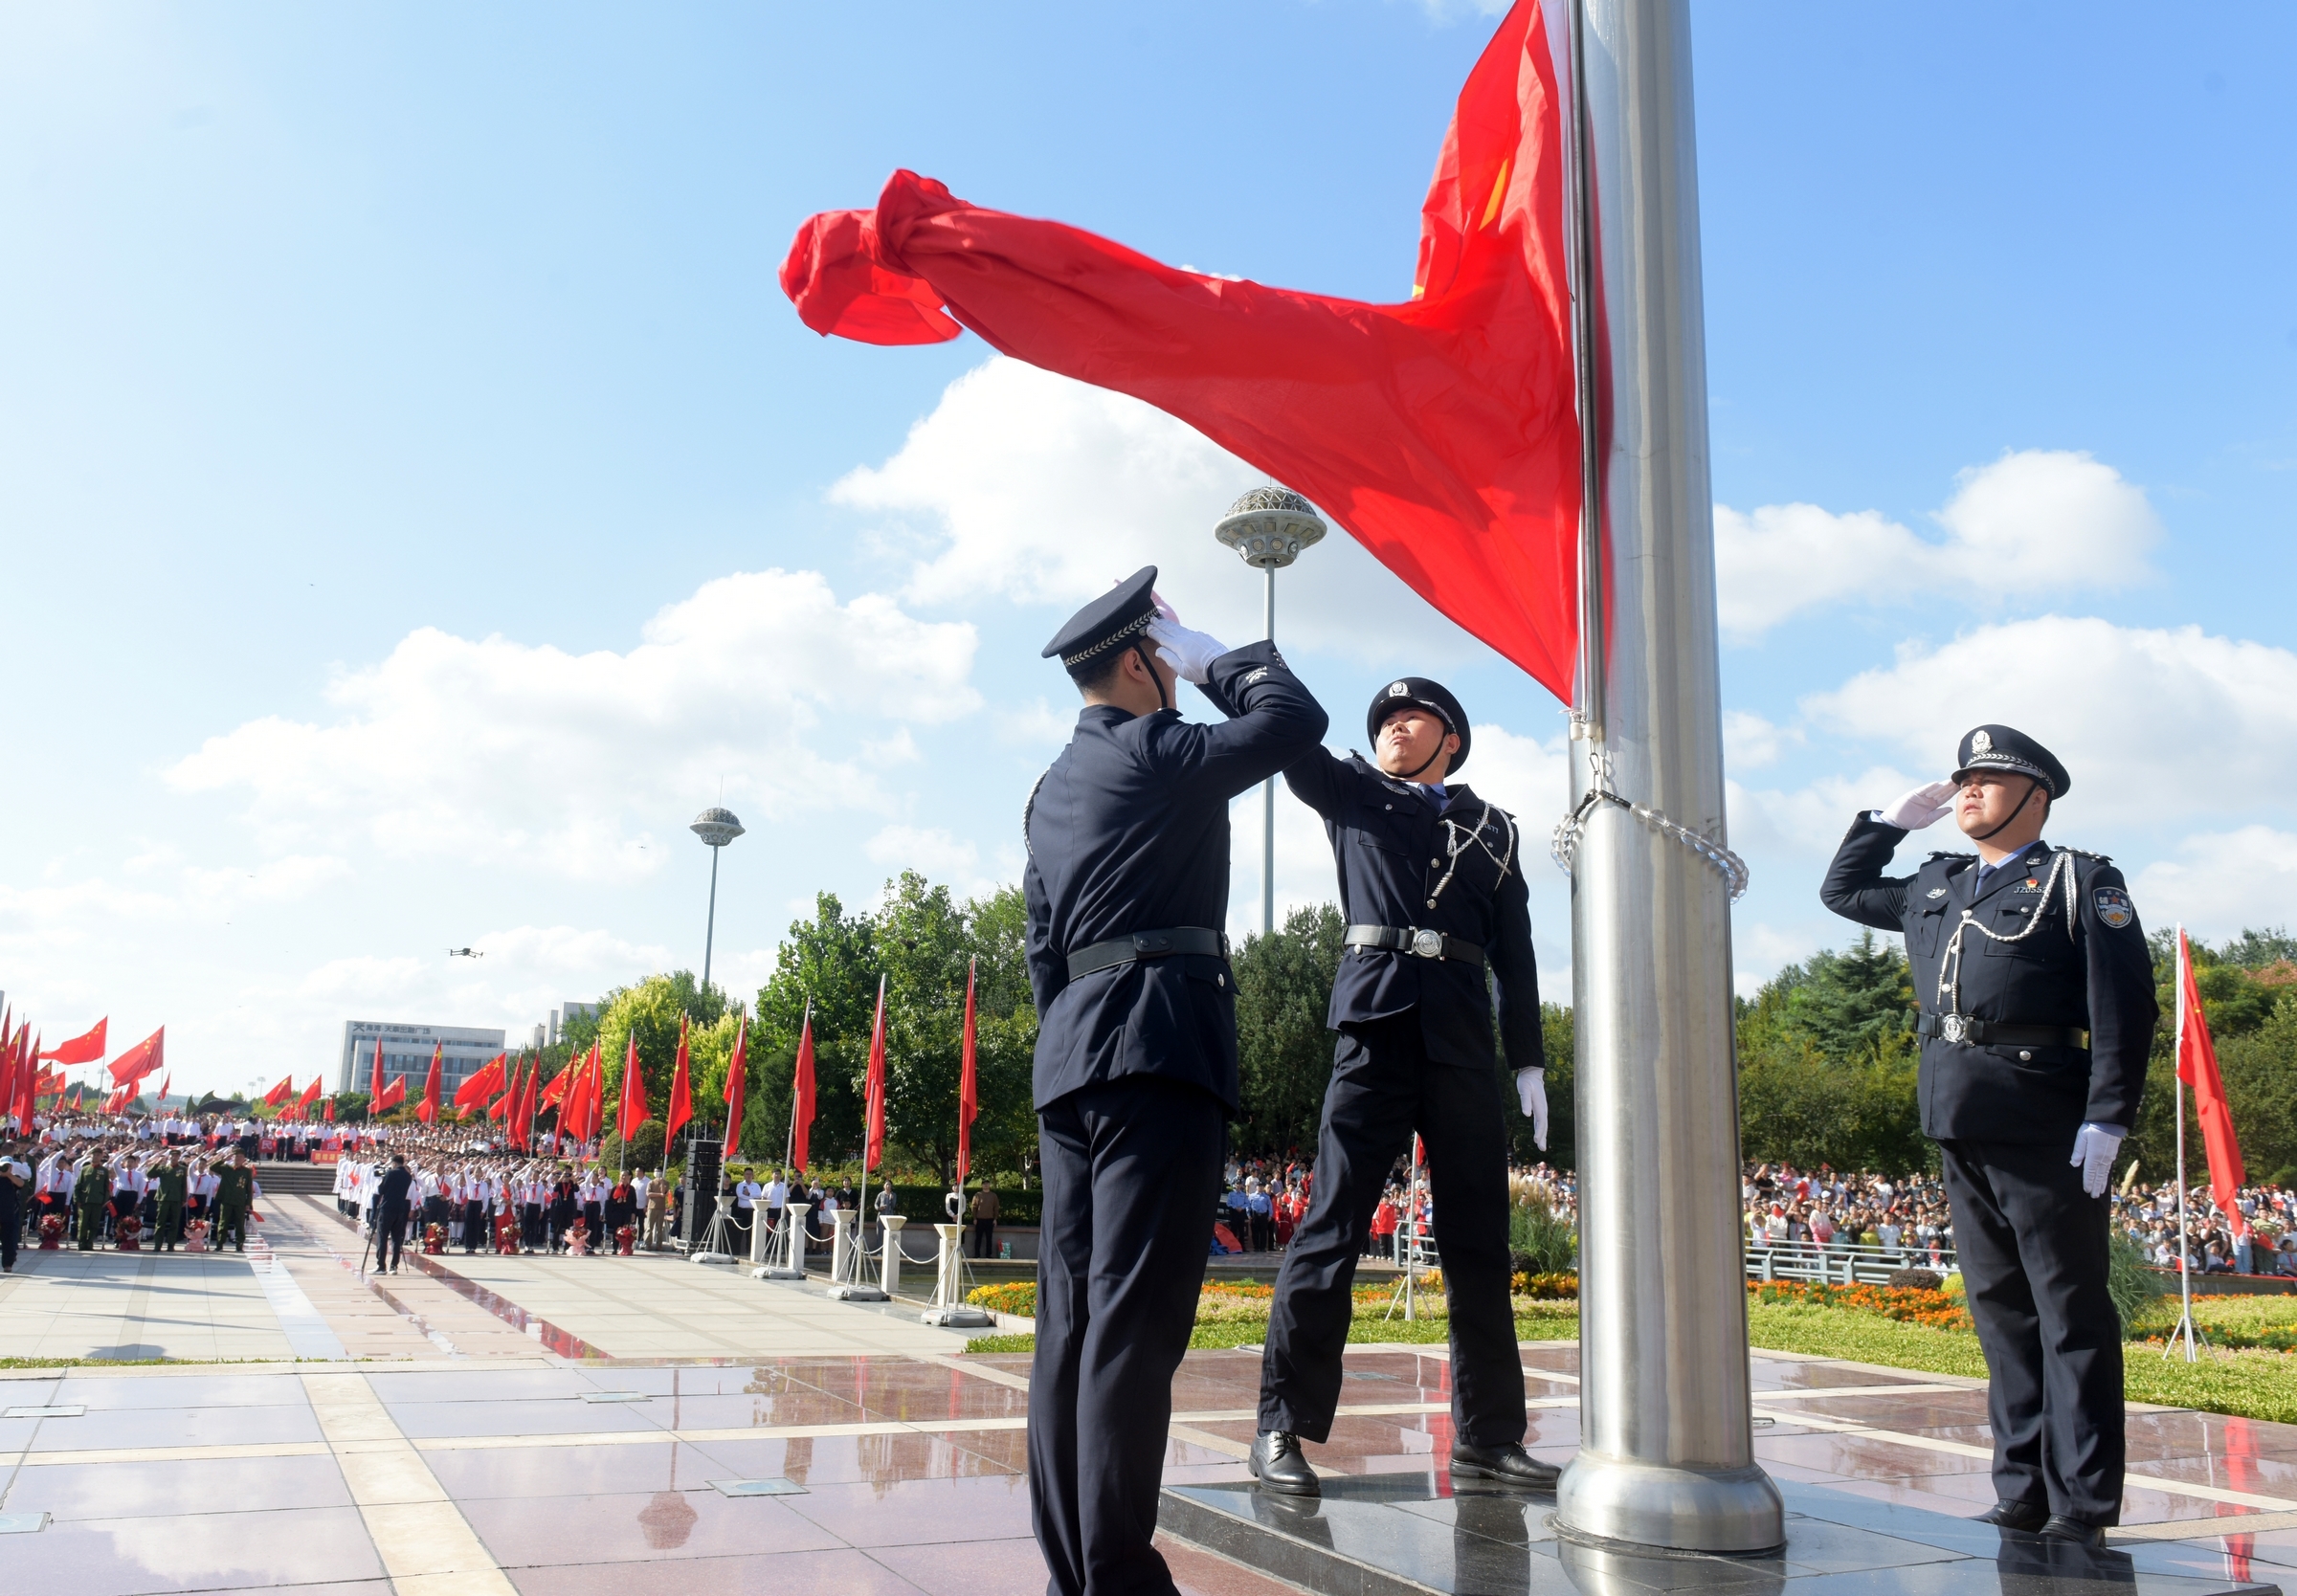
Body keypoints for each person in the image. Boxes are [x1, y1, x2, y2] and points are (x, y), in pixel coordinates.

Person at [1021, 567, 1327, 1596]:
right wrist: (1220, 654)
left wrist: (1072, 1039)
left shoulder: (1050, 789)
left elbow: (1041, 950)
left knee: (1070, 1323)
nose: (1181, 678)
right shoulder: (1157, 751)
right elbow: (1294, 721)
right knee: (1135, 1326)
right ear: (1139, 662)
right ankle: (1119, 1578)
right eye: (1168, 660)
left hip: (1072, 1059)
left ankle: (1076, 1569)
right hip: (1159, 1047)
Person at [1821, 724, 2156, 1547]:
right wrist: (1886, 824)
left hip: (2046, 1120)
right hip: (1958, 1117)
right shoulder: (1938, 884)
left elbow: (2126, 1007)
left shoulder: (2078, 882)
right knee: (2000, 1312)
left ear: (2036, 797)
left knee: (2069, 1310)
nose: (1969, 791)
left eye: (1990, 780)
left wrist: (2109, 1115)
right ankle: (2023, 1488)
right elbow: (1841, 891)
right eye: (1963, 779)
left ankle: (2081, 1500)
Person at [1251, 676, 1552, 1496]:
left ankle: (1489, 1437)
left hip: (1459, 1041)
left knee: (1480, 1248)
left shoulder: (1493, 829)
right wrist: (1231, 665)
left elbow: (1516, 952)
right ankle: (1282, 1425)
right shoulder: (1351, 790)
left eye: (1411, 717)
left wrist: (1527, 1057)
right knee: (1332, 1227)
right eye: (1385, 718)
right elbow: (1282, 737)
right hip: (1375, 1030)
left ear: (1451, 737)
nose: (1393, 726)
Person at [374, 1154, 414, 1273]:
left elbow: (381, 1190)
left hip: (387, 1208)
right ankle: (394, 1266)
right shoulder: (408, 1176)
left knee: (383, 1237)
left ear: (394, 1163)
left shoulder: (391, 1173)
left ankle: (381, 1265)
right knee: (396, 1238)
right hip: (400, 1208)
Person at [970, 1183, 999, 1259]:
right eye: (984, 1184)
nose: (985, 1185)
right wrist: (975, 1218)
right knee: (978, 1238)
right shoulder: (978, 1195)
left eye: (987, 1184)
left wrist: (995, 1219)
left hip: (990, 1219)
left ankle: (988, 1254)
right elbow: (974, 1207)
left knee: (989, 1238)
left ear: (989, 1185)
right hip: (979, 1220)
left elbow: (996, 1208)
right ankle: (977, 1254)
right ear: (981, 1185)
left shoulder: (993, 1195)